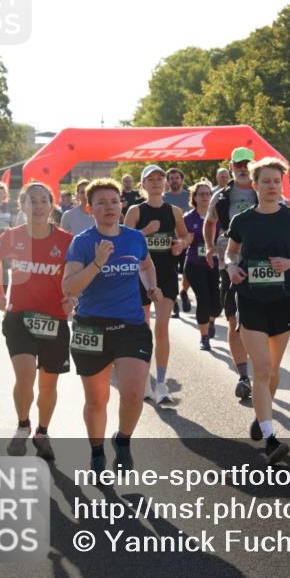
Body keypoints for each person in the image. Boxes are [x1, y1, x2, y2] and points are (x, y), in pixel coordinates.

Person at [62, 178, 159, 473]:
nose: (109, 207)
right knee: (97, 398)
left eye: (114, 202)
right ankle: (96, 452)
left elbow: (145, 264)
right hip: (91, 328)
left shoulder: (134, 238)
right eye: (101, 203)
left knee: (132, 394)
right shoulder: (82, 243)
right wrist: (97, 263)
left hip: (131, 326)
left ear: (122, 205)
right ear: (90, 208)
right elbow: (69, 286)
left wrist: (152, 288)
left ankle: (124, 440)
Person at [225, 158, 290, 464]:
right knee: (261, 368)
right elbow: (231, 252)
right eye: (266, 181)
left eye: (277, 181)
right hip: (250, 298)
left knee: (273, 370)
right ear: (255, 185)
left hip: (282, 299)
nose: (272, 186)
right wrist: (231, 268)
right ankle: (270, 436)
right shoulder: (243, 221)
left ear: (282, 185)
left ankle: (261, 415)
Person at [0, 181, 74, 460]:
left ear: (52, 205)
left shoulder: (66, 241)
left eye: (43, 201)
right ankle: (23, 426)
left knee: (48, 385)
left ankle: (43, 432)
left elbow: (77, 275)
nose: (38, 206)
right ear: (22, 206)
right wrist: (0, 293)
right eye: (32, 201)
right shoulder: (11, 236)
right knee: (25, 377)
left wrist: (72, 297)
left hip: (54, 320)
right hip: (19, 318)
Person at [124, 165, 190, 404]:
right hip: (140, 277)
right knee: (143, 330)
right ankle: (145, 381)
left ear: (164, 184)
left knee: (161, 328)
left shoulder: (174, 211)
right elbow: (122, 242)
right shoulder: (135, 210)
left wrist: (180, 244)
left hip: (167, 275)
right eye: (150, 179)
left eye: (159, 178)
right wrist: (144, 232)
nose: (155, 182)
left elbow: (185, 236)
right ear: (142, 184)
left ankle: (161, 383)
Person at [205, 148, 258, 399]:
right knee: (234, 320)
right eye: (239, 163)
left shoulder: (264, 189)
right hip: (230, 262)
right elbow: (209, 222)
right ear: (231, 166)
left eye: (247, 163)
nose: (243, 167)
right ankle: (243, 376)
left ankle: (263, 367)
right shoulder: (222, 196)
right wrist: (208, 246)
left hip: (262, 262)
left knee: (263, 319)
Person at [183, 180, 221, 350]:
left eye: (208, 194)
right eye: (201, 194)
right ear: (195, 197)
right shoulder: (188, 218)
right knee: (203, 299)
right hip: (195, 264)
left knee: (217, 303)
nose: (205, 197)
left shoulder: (219, 216)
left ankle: (211, 321)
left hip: (215, 264)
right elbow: (181, 239)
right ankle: (204, 337)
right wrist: (185, 240)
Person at [163, 167, 193, 317]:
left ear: (181, 180)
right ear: (167, 182)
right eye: (171, 178)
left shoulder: (189, 197)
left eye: (177, 178)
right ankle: (174, 304)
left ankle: (184, 291)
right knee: (172, 274)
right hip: (170, 242)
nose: (174, 180)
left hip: (187, 240)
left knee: (188, 271)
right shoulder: (163, 199)